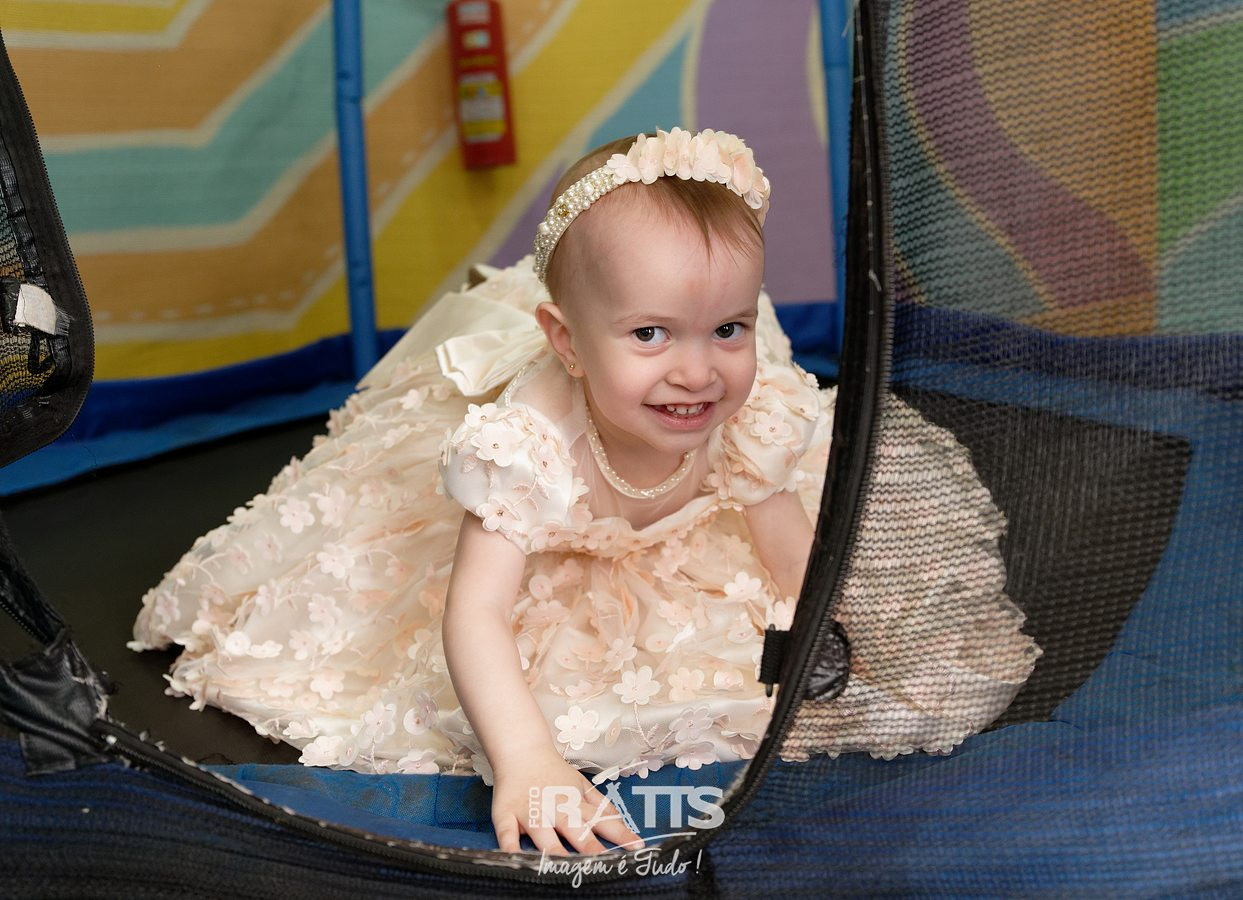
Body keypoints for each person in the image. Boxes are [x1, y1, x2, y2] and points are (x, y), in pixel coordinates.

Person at [131, 128, 1038, 856]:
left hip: (665, 525)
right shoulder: (526, 446)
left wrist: (848, 636)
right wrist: (527, 758)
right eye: (650, 334)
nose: (697, 373)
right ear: (566, 342)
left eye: (727, 328)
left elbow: (786, 546)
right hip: (555, 515)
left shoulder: (746, 410)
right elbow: (476, 613)